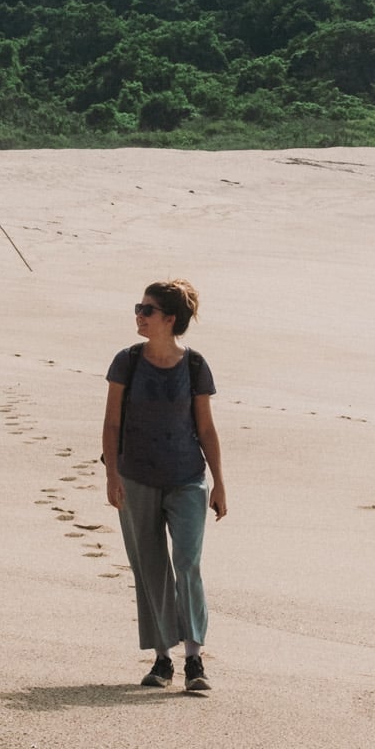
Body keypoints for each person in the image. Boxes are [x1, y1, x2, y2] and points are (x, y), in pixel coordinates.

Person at [102, 278, 228, 693]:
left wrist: (220, 483)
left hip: (188, 478)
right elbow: (112, 422)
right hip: (136, 477)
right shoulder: (127, 361)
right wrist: (112, 475)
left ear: (170, 319)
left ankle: (194, 660)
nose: (139, 315)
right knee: (150, 567)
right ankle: (161, 659)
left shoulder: (194, 365)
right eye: (137, 307)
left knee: (188, 564)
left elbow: (206, 428)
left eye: (147, 310)